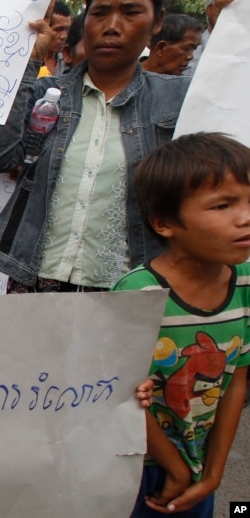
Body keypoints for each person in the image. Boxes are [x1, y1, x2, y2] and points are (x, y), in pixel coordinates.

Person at [0, 0, 201, 294]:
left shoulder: (177, 101)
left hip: (130, 289)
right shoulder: (44, 93)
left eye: (130, 12)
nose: (112, 26)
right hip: (38, 285)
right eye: (100, 13)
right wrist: (27, 64)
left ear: (157, 22)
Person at [113, 132, 250, 517]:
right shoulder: (137, 293)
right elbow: (117, 393)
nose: (245, 217)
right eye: (222, 205)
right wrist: (174, 467)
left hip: (198, 464)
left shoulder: (245, 282)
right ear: (165, 223)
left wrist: (212, 474)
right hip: (134, 467)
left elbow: (236, 378)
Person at [40, 1, 72, 77]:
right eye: (58, 29)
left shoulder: (68, 62)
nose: (64, 36)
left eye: (67, 30)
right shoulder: (27, 61)